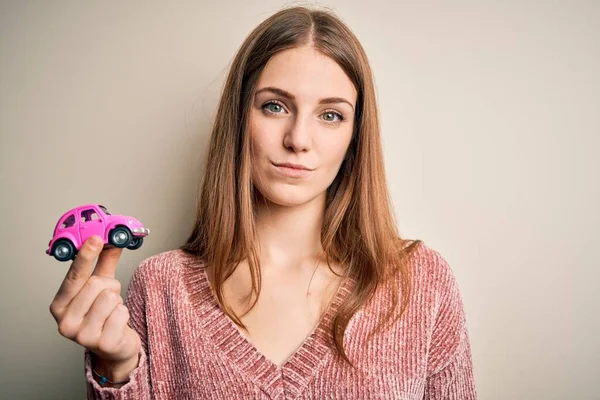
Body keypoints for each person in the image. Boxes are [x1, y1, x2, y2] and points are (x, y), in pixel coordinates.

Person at [49, 5, 477, 399]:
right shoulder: (161, 288)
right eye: (274, 106)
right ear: (240, 118)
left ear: (354, 138)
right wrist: (116, 369)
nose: (298, 140)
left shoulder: (419, 284)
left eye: (331, 115)